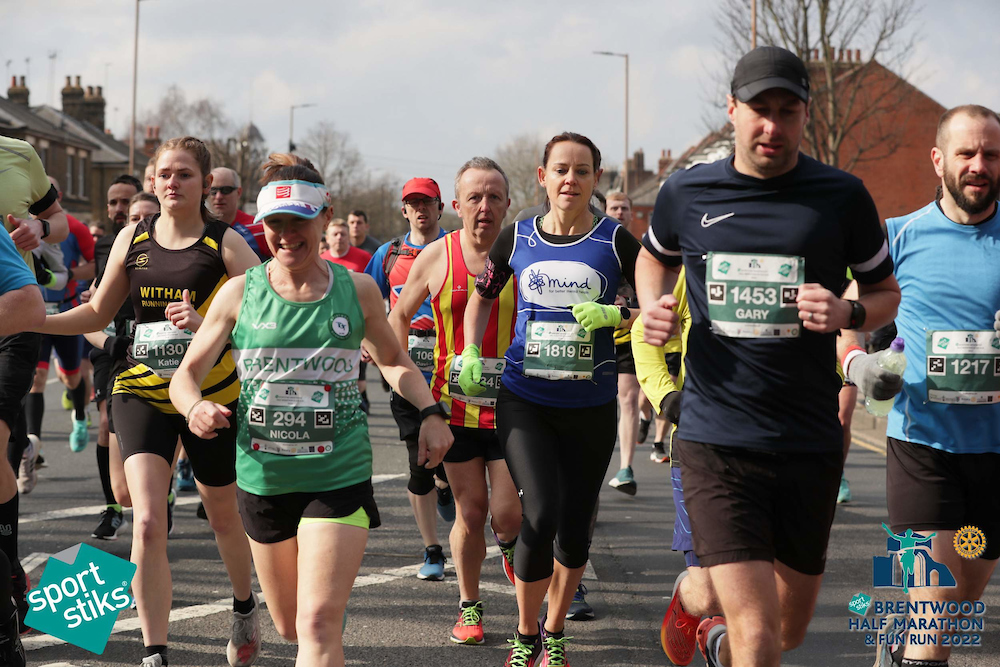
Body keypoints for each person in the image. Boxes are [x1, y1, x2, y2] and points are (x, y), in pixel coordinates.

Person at [636, 46, 900, 667]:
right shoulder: (687, 192)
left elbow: (886, 292)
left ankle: (698, 602)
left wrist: (849, 313)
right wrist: (651, 306)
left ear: (806, 114)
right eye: (759, 109)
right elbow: (654, 256)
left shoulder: (841, 197)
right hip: (715, 439)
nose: (772, 126)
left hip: (808, 437)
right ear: (732, 110)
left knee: (787, 629)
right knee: (759, 640)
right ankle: (720, 618)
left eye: (788, 110)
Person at [170, 154, 453, 667]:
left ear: (325, 219)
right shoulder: (239, 293)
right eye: (276, 224)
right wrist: (194, 408)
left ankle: (325, 615)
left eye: (299, 222)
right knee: (289, 624)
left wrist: (431, 412)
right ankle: (317, 616)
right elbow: (185, 377)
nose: (287, 235)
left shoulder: (357, 290)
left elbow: (393, 360)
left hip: (337, 474)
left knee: (317, 624)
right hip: (264, 479)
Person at [35, 136, 262, 667]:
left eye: (184, 174)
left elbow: (264, 320)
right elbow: (95, 315)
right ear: (152, 181)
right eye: (164, 174)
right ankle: (154, 651)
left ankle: (244, 603)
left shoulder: (223, 243)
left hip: (211, 397)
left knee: (223, 513)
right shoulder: (133, 238)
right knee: (145, 519)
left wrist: (208, 326)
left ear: (205, 185)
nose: (172, 182)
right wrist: (36, 319)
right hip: (140, 389)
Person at [460, 132, 640, 666]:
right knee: (538, 513)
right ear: (542, 176)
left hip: (589, 404)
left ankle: (555, 631)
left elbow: (662, 310)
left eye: (582, 171)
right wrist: (472, 351)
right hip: (525, 398)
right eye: (560, 169)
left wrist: (618, 315)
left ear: (595, 179)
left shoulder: (616, 241)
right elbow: (483, 297)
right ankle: (526, 633)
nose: (570, 180)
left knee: (576, 522)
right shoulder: (516, 238)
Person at [872, 104, 1000, 667]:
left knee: (963, 598)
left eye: (991, 154)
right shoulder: (899, 237)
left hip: (994, 452)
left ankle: (903, 646)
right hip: (921, 444)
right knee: (939, 604)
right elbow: (856, 321)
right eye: (967, 153)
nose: (979, 165)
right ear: (938, 160)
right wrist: (859, 365)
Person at [389, 157, 522, 645]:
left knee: (507, 513)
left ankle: (508, 546)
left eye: (493, 198)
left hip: (514, 405)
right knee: (471, 511)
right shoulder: (438, 256)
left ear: (507, 203)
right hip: (455, 407)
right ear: (458, 205)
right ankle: (470, 606)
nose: (484, 207)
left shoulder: (524, 252)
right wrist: (402, 372)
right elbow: (397, 318)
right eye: (474, 198)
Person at [364, 177, 453, 581]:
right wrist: (366, 341)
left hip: (452, 364)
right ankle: (432, 550)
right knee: (417, 458)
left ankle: (446, 481)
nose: (420, 209)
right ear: (404, 210)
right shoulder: (388, 254)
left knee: (452, 454)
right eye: (412, 203)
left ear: (439, 207)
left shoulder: (455, 248)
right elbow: (365, 302)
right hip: (405, 361)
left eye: (427, 203)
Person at [83, 190, 161, 540]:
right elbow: (90, 318)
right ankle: (120, 509)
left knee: (149, 507)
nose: (142, 225)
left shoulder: (184, 265)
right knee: (126, 492)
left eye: (150, 218)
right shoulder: (114, 262)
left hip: (172, 372)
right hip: (119, 362)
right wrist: (112, 342)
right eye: (135, 219)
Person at [25, 177, 96, 461]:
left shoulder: (74, 227)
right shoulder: (18, 226)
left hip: (67, 311)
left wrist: (67, 274)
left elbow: (95, 266)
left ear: (58, 196)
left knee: (71, 376)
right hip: (34, 314)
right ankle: (34, 445)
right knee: (37, 378)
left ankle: (79, 414)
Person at [208, 167, 270, 260]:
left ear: (239, 192)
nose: (218, 196)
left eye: (226, 190)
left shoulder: (259, 228)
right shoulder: (196, 230)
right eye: (213, 191)